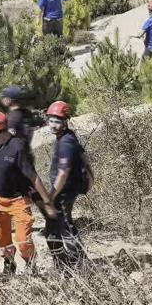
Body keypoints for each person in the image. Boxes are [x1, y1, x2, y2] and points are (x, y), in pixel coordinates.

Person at [0, 111, 58, 275]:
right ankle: (9, 264)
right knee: (2, 240)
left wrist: (47, 202)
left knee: (23, 241)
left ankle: (31, 263)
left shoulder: (17, 147)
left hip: (18, 200)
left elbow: (33, 176)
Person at [44, 101, 88, 273]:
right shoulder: (69, 136)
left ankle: (69, 265)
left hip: (63, 193)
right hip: (68, 191)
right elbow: (85, 157)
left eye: (57, 121)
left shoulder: (65, 143)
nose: (53, 125)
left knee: (58, 230)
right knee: (63, 226)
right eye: (51, 120)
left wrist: (51, 196)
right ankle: (73, 263)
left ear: (65, 121)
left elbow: (62, 173)